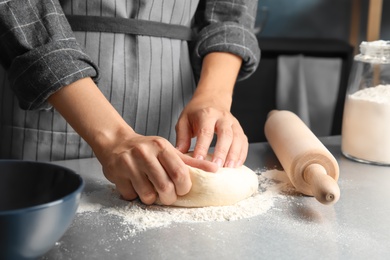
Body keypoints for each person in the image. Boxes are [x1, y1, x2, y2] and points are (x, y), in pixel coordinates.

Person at [0, 0, 260, 205]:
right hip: (56, 97)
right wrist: (112, 136)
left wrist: (213, 97)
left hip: (174, 96)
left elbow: (231, 12)